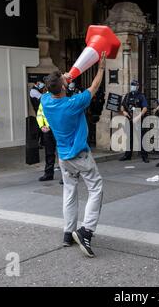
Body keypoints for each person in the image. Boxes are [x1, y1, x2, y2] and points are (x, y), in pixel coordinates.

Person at [41, 52, 106, 257]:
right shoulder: (73, 103)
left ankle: (68, 233)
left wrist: (64, 79)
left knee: (69, 192)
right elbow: (93, 87)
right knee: (96, 187)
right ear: (63, 87)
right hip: (80, 155)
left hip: (64, 157)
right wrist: (102, 67)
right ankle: (86, 231)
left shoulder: (46, 101)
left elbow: (51, 89)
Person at [119, 80, 149, 163]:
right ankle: (127, 155)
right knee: (129, 138)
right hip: (129, 119)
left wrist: (138, 116)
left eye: (135, 85)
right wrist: (124, 112)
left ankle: (145, 156)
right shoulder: (127, 96)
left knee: (141, 138)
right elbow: (122, 106)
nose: (133, 86)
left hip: (138, 119)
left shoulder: (141, 96)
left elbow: (145, 108)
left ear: (138, 86)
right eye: (132, 85)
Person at [36, 103, 57, 182]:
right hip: (47, 129)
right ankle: (48, 174)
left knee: (62, 153)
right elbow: (40, 114)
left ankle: (66, 176)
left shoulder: (61, 95)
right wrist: (42, 125)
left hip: (59, 129)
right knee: (49, 152)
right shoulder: (44, 98)